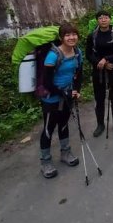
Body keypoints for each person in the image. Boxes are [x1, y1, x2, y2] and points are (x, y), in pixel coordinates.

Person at [39, 22, 83, 178]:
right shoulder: (53, 55)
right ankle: (45, 162)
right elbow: (47, 82)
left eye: (74, 34)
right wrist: (64, 93)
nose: (71, 38)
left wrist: (76, 90)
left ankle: (66, 153)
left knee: (64, 125)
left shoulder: (77, 52)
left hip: (67, 94)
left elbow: (79, 74)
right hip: (51, 98)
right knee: (48, 129)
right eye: (67, 35)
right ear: (61, 37)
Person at [85, 10, 113, 137]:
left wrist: (106, 59)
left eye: (106, 17)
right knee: (99, 98)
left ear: (110, 19)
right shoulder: (92, 36)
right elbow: (88, 54)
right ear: (97, 20)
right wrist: (100, 62)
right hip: (98, 71)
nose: (103, 20)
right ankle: (100, 124)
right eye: (100, 18)